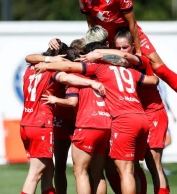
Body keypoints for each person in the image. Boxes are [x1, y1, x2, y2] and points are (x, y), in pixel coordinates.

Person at [34, 42, 159, 194]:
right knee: (123, 171)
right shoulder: (127, 70)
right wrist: (148, 63)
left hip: (100, 123)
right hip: (128, 121)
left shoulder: (96, 70)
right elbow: (154, 80)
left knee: (81, 172)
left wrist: (47, 65)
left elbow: (69, 72)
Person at [20, 41, 105, 194]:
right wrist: (92, 83)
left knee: (49, 170)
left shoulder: (30, 70)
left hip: (28, 123)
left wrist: (50, 57)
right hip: (43, 124)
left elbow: (29, 57)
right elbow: (67, 80)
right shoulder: (54, 72)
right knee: (37, 173)